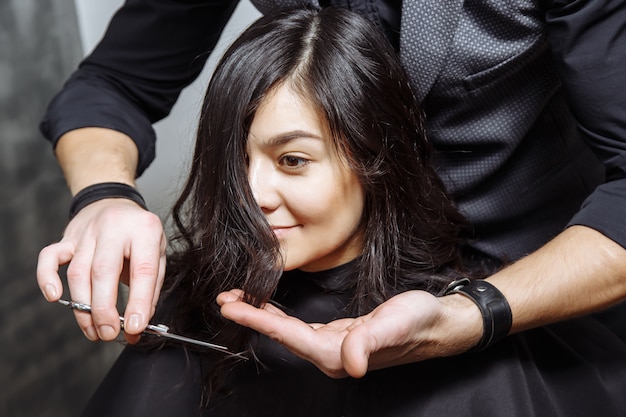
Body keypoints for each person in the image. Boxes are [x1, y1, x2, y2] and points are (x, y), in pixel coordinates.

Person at [77, 8, 626, 416]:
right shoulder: (204, 317)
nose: (252, 193)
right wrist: (103, 195)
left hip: (538, 287)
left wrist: (468, 316)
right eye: (237, 160)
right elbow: (111, 82)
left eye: (292, 160)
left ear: (374, 155)